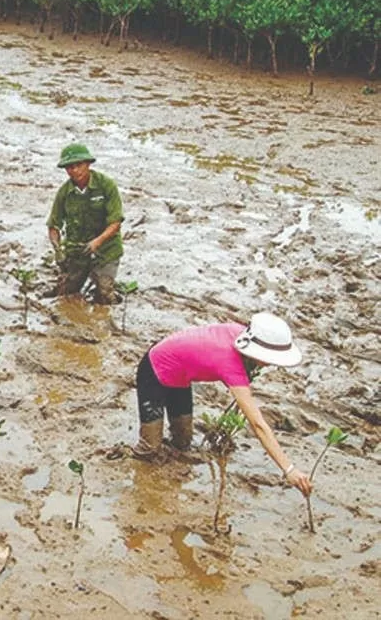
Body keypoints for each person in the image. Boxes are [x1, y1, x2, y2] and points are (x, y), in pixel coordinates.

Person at [132, 312, 312, 497]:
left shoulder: (242, 333)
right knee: (150, 449)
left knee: (183, 440)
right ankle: (138, 481)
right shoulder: (230, 364)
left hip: (180, 375)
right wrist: (289, 469)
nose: (271, 364)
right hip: (153, 370)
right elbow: (258, 424)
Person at [46, 143, 123, 304]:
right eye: (69, 167)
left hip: (106, 250)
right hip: (77, 250)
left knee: (104, 293)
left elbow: (115, 222)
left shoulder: (106, 185)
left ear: (88, 164)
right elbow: (53, 226)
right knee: (66, 292)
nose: (74, 171)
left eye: (78, 165)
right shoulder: (64, 193)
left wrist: (97, 242)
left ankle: (114, 298)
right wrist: (58, 249)